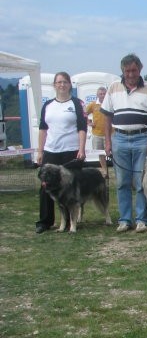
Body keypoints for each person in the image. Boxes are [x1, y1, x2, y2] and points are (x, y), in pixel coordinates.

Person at [102, 53, 147, 233]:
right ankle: (124, 219)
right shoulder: (113, 88)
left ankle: (142, 219)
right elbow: (106, 117)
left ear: (140, 69)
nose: (131, 74)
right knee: (122, 182)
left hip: (142, 138)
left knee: (141, 181)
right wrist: (107, 141)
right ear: (122, 70)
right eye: (127, 70)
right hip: (119, 138)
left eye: (134, 70)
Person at [34, 72, 87, 234]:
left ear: (70, 84)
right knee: (46, 187)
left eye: (65, 82)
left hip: (70, 151)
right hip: (51, 151)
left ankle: (74, 219)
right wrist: (40, 151)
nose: (62, 85)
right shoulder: (48, 105)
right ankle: (45, 221)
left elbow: (82, 127)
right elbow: (43, 129)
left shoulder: (77, 103)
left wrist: (82, 148)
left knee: (72, 188)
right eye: (58, 82)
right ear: (54, 85)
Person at [85, 86, 109, 177]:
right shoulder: (93, 105)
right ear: (97, 95)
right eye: (101, 94)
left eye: (104, 94)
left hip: (110, 135)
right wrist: (89, 122)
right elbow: (83, 114)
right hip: (97, 134)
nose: (102, 95)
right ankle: (105, 171)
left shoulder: (110, 104)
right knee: (100, 153)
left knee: (113, 154)